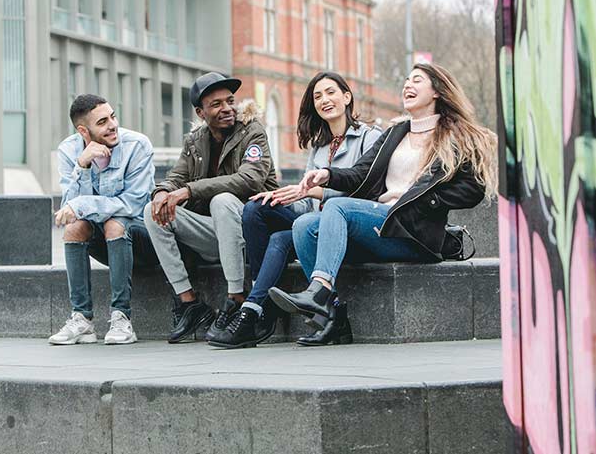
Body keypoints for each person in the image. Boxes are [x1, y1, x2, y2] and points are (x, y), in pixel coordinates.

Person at [267, 63, 497, 341]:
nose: (407, 85)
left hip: (414, 233)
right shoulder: (395, 134)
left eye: (417, 81)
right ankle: (332, 316)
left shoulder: (455, 136)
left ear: (437, 91)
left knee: (340, 207)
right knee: (304, 224)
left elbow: (473, 189)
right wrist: (327, 175)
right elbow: (360, 173)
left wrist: (425, 202)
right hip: (382, 226)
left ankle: (319, 289)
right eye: (406, 80)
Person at [208, 72, 381, 349]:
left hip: (347, 225)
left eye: (330, 92)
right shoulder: (320, 146)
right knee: (257, 208)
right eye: (317, 96)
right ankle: (257, 305)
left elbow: (366, 187)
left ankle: (255, 310)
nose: (324, 100)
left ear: (347, 97)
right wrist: (282, 197)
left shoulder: (370, 138)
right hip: (312, 221)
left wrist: (310, 190)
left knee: (281, 236)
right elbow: (307, 202)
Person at [144, 72, 279, 343]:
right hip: (218, 233)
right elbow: (176, 177)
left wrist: (191, 190)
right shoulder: (195, 141)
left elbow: (250, 179)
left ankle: (237, 297)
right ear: (201, 112)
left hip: (253, 229)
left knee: (223, 199)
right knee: (152, 212)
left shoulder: (253, 131)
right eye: (216, 104)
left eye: (230, 101)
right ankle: (190, 302)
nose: (227, 108)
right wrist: (161, 192)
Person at [50, 94, 155, 345]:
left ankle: (122, 318)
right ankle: (82, 319)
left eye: (113, 116)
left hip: (143, 238)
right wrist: (83, 165)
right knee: (74, 228)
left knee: (114, 221)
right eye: (103, 122)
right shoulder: (68, 151)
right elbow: (70, 211)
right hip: (107, 243)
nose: (112, 125)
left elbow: (133, 205)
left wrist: (82, 205)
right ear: (83, 130)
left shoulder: (137, 145)